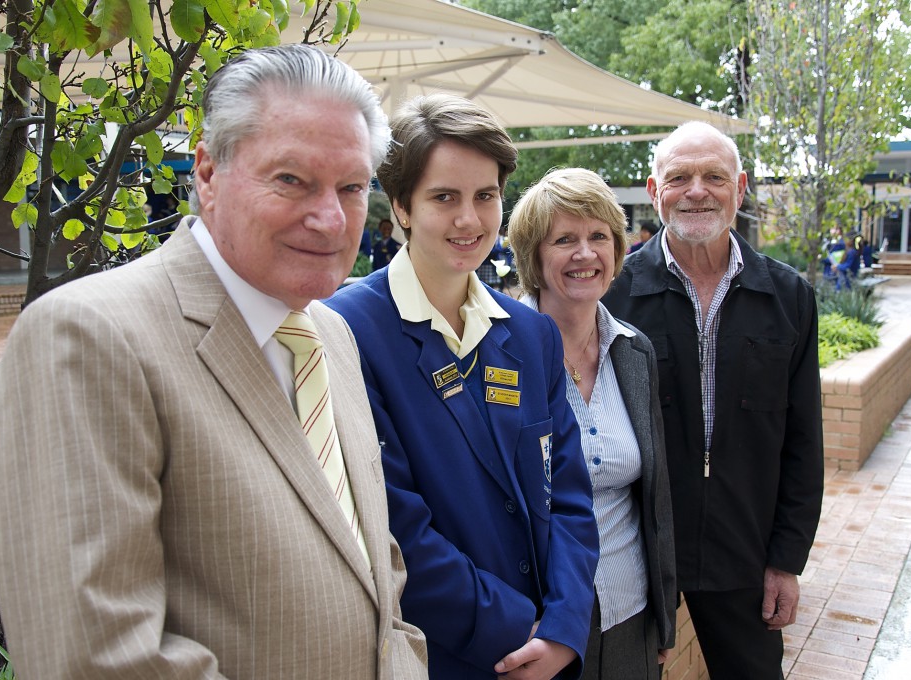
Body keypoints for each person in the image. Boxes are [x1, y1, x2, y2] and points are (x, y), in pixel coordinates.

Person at [0, 44, 427, 679]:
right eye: (291, 179)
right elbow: (98, 659)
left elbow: (374, 568)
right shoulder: (88, 337)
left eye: (352, 187)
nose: (330, 219)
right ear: (208, 173)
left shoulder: (331, 333)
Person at [326, 93, 599, 680]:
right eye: (444, 197)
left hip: (547, 651)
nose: (470, 220)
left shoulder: (531, 335)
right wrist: (517, 631)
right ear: (400, 205)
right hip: (438, 656)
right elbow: (393, 529)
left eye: (486, 196)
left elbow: (571, 495)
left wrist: (564, 627)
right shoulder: (347, 330)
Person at [602, 121, 824, 680]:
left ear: (740, 188)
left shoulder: (788, 296)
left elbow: (804, 439)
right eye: (679, 177)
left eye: (714, 177)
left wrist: (786, 560)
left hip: (745, 554)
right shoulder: (614, 293)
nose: (697, 191)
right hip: (639, 553)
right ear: (655, 192)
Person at [508, 167, 677, 680]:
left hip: (630, 611)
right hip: (541, 621)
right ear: (534, 256)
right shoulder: (499, 355)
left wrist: (665, 616)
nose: (586, 254)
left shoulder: (634, 351)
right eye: (565, 239)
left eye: (598, 236)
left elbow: (656, 495)